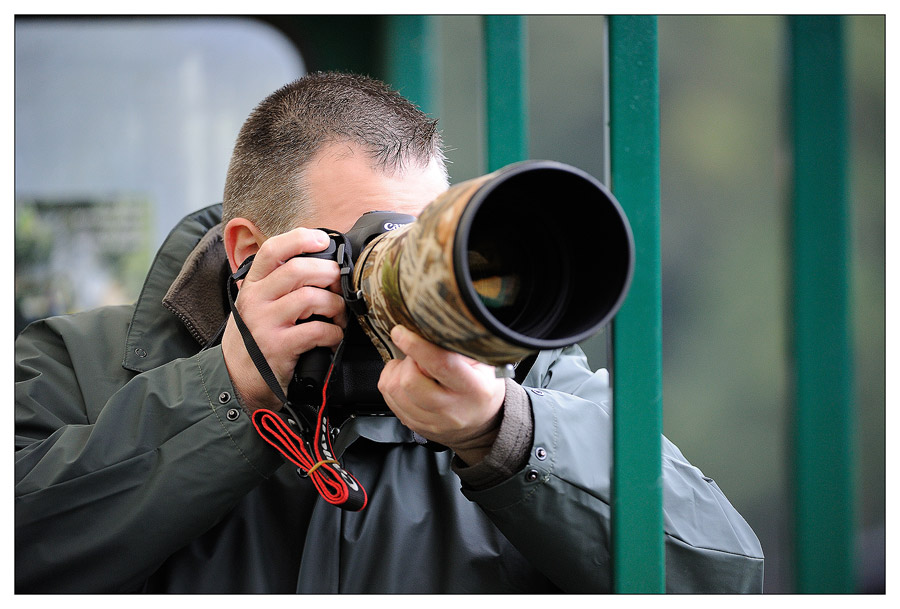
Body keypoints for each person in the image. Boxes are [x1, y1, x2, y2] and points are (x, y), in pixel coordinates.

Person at [15, 72, 764, 593]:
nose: (404, 280)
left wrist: (502, 435)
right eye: (364, 247)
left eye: (426, 241)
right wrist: (229, 389)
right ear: (248, 255)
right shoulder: (79, 365)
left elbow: (727, 577)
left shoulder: (518, 382)